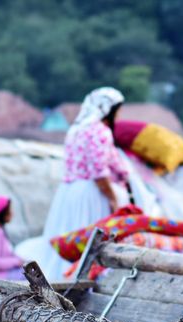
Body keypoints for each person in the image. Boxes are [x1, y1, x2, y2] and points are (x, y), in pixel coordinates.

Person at [38, 87, 129, 278]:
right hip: (91, 192)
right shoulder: (100, 131)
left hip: (69, 190)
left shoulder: (75, 130)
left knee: (69, 234)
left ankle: (62, 278)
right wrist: (113, 199)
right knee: (90, 240)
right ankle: (85, 279)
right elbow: (99, 172)